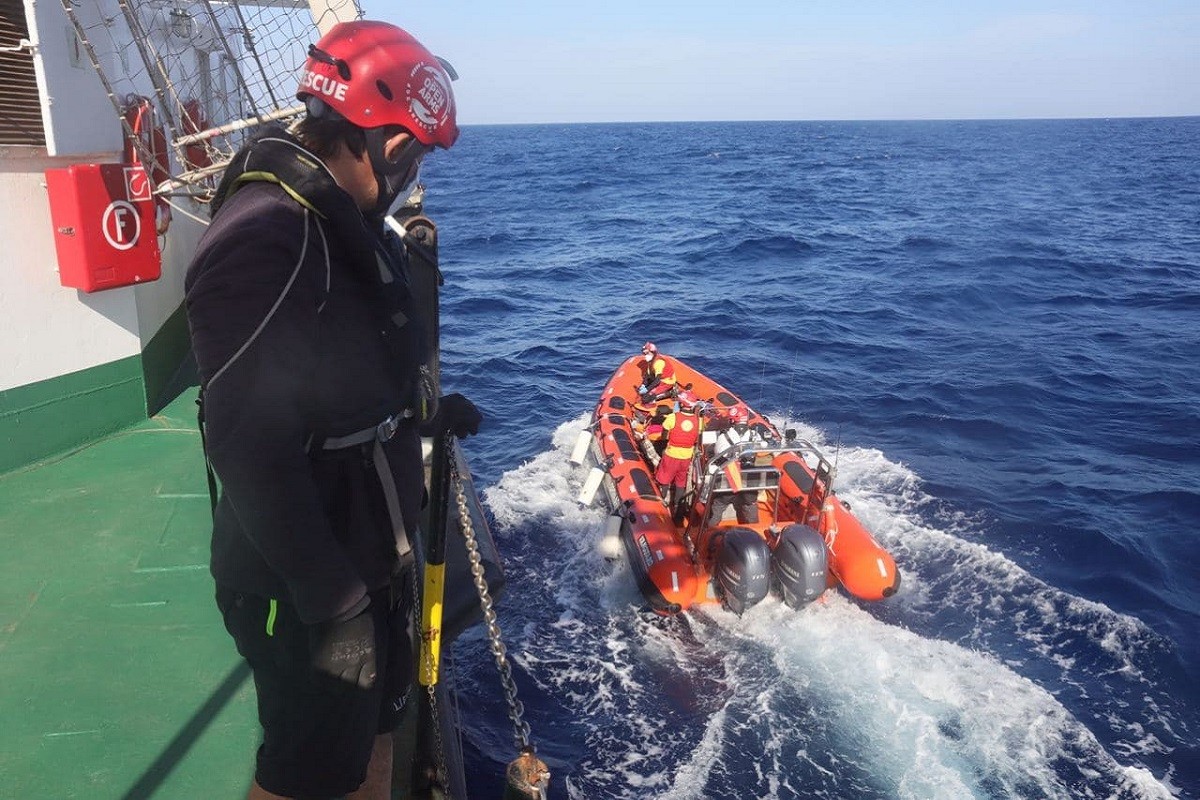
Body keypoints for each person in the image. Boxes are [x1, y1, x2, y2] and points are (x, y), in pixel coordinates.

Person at [184, 20, 480, 800]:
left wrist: (422, 413)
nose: (416, 172)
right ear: (385, 144)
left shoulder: (334, 220)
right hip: (304, 584)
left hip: (367, 557)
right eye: (415, 150)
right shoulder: (267, 239)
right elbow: (246, 445)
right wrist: (336, 604)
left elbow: (331, 371)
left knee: (368, 746)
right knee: (301, 777)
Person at [653, 394, 703, 525]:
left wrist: (663, 443)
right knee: (680, 483)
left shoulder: (672, 417)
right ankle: (678, 513)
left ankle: (661, 505)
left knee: (664, 480)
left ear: (681, 404)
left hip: (671, 454)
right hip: (686, 457)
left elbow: (664, 433)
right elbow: (697, 438)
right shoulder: (699, 421)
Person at [706, 405, 761, 525]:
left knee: (719, 504)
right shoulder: (755, 435)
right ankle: (754, 530)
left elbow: (718, 455)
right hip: (749, 476)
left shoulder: (723, 437)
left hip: (731, 476)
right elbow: (762, 449)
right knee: (750, 504)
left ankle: (709, 529)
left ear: (732, 420)